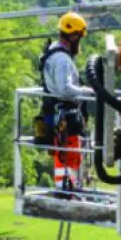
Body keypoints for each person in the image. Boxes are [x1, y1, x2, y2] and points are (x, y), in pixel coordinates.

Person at [39, 12, 87, 191]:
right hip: (65, 117)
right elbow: (64, 89)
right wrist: (87, 92)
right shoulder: (62, 59)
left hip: (56, 114)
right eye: (79, 37)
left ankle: (66, 188)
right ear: (73, 36)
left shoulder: (53, 52)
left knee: (66, 156)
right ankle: (67, 190)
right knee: (69, 156)